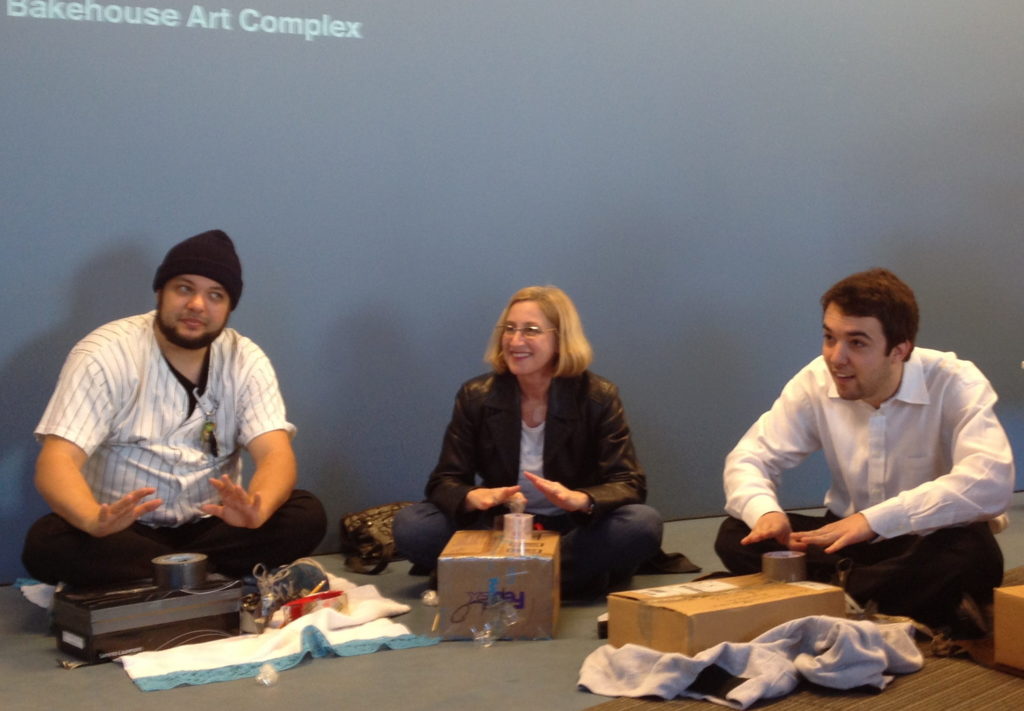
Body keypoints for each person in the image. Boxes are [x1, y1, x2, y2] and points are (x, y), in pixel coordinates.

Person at [715, 268, 1014, 633]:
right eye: (829, 337)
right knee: (736, 533)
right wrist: (766, 513)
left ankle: (817, 596)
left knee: (973, 555)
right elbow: (749, 458)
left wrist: (874, 521)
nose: (836, 357)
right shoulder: (814, 380)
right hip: (842, 542)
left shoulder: (955, 380)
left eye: (857, 343)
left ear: (899, 350)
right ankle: (866, 600)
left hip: (922, 541)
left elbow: (989, 481)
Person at [22, 230, 326, 587]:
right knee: (47, 543)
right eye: (184, 288)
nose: (197, 305)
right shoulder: (103, 353)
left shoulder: (246, 358)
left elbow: (275, 452)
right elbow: (57, 460)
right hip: (123, 531)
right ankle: (203, 575)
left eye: (215, 295)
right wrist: (92, 519)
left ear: (229, 308)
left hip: (214, 526)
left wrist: (256, 510)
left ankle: (169, 574)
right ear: (160, 293)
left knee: (305, 514)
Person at [393, 285, 663, 597]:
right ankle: (560, 579)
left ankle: (493, 576)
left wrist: (581, 500)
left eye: (530, 330)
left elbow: (629, 483)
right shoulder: (476, 396)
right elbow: (444, 480)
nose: (515, 340)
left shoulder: (599, 397)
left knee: (642, 524)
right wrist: (472, 497)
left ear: (560, 340)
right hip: (500, 529)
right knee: (412, 525)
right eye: (509, 329)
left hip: (573, 530)